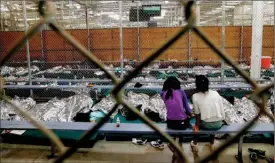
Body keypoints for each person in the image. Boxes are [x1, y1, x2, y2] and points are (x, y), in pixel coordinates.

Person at [191, 75, 225, 152]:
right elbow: (221, 108)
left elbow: (197, 115)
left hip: (206, 125)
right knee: (212, 117)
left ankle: (195, 144)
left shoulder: (195, 96)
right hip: (218, 124)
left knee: (195, 126)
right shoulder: (215, 93)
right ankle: (212, 143)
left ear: (197, 85)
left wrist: (196, 126)